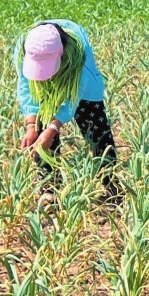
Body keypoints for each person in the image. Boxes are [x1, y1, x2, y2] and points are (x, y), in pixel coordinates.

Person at [14, 20, 117, 187]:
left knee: (97, 131)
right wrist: (31, 125)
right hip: (45, 89)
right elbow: (25, 87)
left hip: (84, 87)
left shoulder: (79, 54)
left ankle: (110, 184)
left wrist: (53, 128)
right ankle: (49, 187)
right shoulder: (24, 48)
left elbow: (75, 97)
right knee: (41, 130)